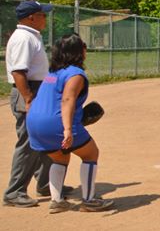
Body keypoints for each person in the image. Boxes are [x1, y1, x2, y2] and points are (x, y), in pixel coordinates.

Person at [26, 34, 113, 213]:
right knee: (90, 153)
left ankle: (57, 201)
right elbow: (67, 99)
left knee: (60, 157)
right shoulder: (76, 74)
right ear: (78, 51)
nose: (85, 49)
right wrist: (67, 129)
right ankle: (89, 201)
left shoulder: (52, 74)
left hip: (35, 123)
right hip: (56, 123)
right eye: (83, 46)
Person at [4, 0, 72, 208]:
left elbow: (38, 72)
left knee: (46, 138)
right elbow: (18, 72)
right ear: (31, 17)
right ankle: (14, 192)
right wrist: (28, 99)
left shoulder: (31, 36)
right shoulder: (24, 38)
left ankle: (45, 183)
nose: (45, 17)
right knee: (29, 144)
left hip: (36, 91)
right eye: (42, 14)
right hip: (29, 93)